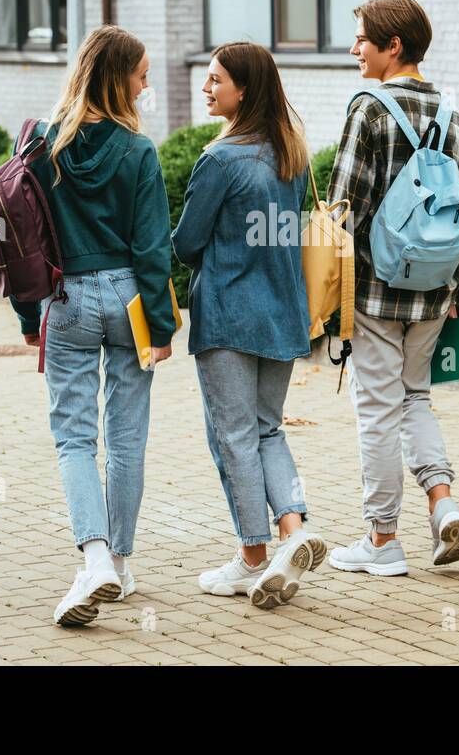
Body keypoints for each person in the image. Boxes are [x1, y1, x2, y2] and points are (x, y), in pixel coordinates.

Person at [10, 25, 177, 624]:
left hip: (66, 298)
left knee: (75, 438)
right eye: (141, 73)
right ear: (118, 78)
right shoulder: (139, 151)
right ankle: (123, 565)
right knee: (127, 436)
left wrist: (30, 317)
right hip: (128, 299)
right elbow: (154, 249)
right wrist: (161, 326)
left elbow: (21, 242)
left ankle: (97, 558)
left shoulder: (41, 145)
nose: (147, 83)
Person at [325, 0, 459, 576]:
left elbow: (342, 212)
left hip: (374, 293)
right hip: (435, 289)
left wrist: (328, 296)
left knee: (378, 411)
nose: (353, 49)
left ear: (393, 46)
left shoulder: (369, 111)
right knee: (416, 398)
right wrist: (454, 287)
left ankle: (383, 538)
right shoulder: (454, 118)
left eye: (362, 39)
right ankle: (443, 504)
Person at [173, 41, 327, 609]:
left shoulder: (220, 160)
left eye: (216, 80)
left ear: (245, 89)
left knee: (233, 437)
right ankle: (293, 534)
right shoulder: (291, 154)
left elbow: (188, 244)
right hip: (283, 313)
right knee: (267, 430)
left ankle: (252, 556)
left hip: (230, 315)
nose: (206, 88)